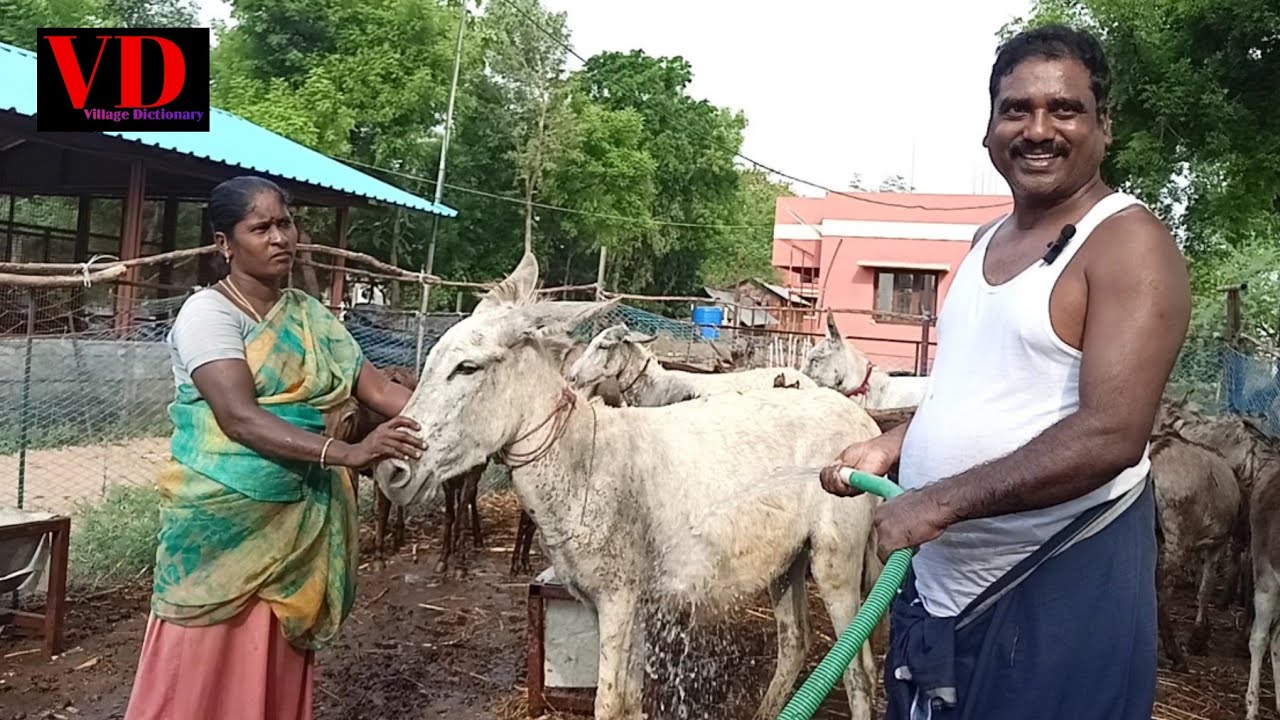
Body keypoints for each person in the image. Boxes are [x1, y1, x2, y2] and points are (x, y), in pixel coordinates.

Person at [820, 25, 1191, 720]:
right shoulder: (984, 240)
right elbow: (978, 390)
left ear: (1104, 125)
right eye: (1016, 109)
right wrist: (894, 445)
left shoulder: (1127, 245)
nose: (1038, 129)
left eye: (1065, 109)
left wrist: (937, 501)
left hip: (1054, 595)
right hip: (943, 595)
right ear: (989, 128)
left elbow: (1110, 434)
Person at [123, 176, 426, 720]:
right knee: (197, 672)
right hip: (219, 537)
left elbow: (379, 390)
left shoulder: (311, 317)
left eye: (285, 223)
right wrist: (351, 453)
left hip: (296, 535)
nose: (279, 237)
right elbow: (239, 419)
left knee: (273, 667)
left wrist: (458, 415)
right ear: (225, 244)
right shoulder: (208, 315)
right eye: (260, 227)